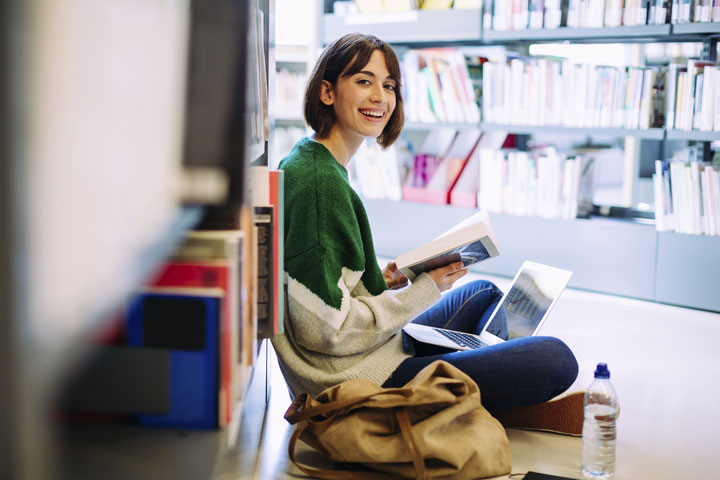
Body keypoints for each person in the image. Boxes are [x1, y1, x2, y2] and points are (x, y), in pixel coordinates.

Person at [270, 33, 578, 417]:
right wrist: (422, 291)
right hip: (354, 381)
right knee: (555, 358)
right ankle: (491, 385)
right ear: (327, 92)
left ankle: (481, 376)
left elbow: (326, 282)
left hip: (365, 354)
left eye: (389, 85)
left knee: (480, 291)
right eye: (363, 81)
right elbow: (323, 331)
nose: (380, 97)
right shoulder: (319, 184)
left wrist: (383, 282)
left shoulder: (312, 160)